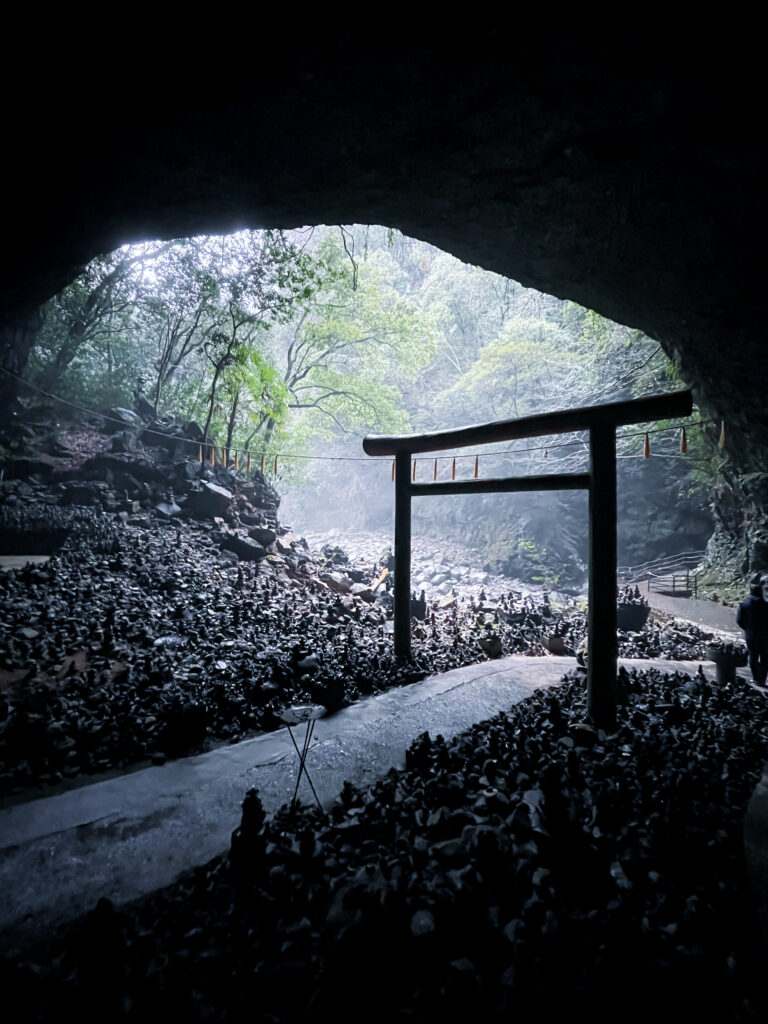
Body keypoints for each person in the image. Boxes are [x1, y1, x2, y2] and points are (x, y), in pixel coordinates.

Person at [736, 574, 768, 686]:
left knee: (753, 657)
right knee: (765, 657)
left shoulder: (744, 605)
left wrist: (748, 628)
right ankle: (762, 680)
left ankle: (755, 678)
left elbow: (739, 621)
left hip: (751, 635)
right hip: (765, 636)